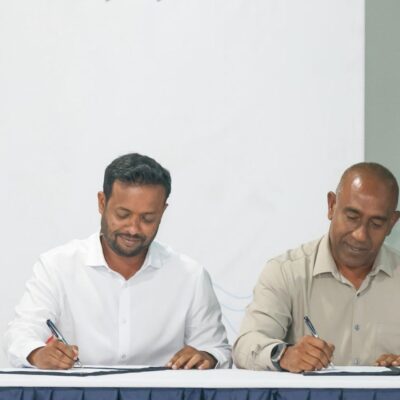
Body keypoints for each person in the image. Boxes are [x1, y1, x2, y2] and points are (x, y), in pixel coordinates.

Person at [4, 153, 231, 369]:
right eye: (123, 215)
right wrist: (37, 354)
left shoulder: (190, 276)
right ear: (102, 203)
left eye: (147, 218)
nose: (133, 229)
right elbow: (21, 334)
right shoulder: (57, 266)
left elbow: (217, 349)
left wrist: (207, 357)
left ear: (163, 211)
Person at [233, 162, 400, 372]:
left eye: (376, 224)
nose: (360, 235)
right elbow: (246, 345)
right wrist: (284, 356)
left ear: (392, 223)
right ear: (331, 206)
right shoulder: (286, 272)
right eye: (352, 217)